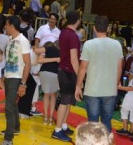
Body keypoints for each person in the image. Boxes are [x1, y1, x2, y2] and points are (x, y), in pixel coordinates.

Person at [75, 15, 123, 133]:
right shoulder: (117, 44)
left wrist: (78, 86)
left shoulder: (89, 44)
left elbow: (83, 68)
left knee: (92, 123)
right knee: (106, 121)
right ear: (108, 29)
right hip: (109, 91)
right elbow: (119, 67)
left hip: (92, 90)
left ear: (94, 28)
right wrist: (115, 84)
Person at [1, 15, 31, 145]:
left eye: (6, 25)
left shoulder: (23, 41)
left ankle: (8, 138)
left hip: (17, 77)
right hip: (9, 76)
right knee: (12, 104)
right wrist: (4, 75)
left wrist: (23, 83)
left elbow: (28, 63)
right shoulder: (10, 39)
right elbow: (9, 59)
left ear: (11, 26)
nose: (5, 28)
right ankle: (16, 127)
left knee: (8, 106)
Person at [52, 10, 81, 142]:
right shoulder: (73, 36)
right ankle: (57, 130)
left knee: (69, 101)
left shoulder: (63, 32)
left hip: (64, 70)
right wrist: (80, 74)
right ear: (78, 21)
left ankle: (63, 125)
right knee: (65, 101)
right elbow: (74, 58)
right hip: (69, 71)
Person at [34, 41, 60, 125]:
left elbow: (39, 59)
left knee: (46, 94)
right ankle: (51, 117)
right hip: (55, 73)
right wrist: (56, 59)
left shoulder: (47, 49)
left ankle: (45, 117)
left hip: (44, 72)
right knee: (53, 95)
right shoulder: (62, 51)